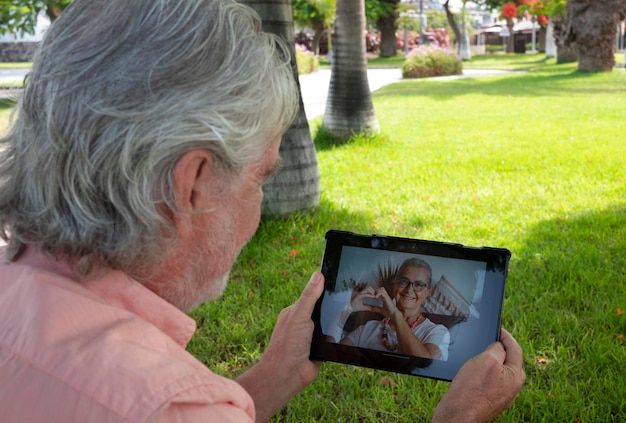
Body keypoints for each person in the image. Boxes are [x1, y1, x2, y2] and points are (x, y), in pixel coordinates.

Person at [0, 0, 525, 422]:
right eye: (261, 179)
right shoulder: (167, 402)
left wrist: (274, 374)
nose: (258, 209)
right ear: (195, 183)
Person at [339, 258, 450, 361]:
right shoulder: (368, 328)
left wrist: (396, 315)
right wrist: (347, 310)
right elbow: (331, 353)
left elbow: (423, 363)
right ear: (394, 285)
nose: (409, 290)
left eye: (419, 285)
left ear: (428, 292)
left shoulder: (437, 332)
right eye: (403, 281)